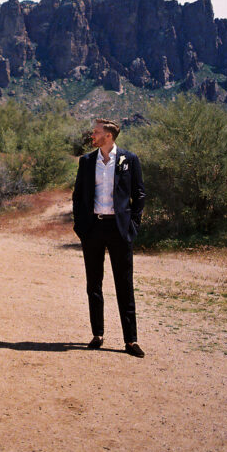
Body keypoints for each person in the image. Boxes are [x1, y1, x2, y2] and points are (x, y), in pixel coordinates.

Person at [72, 118, 146, 357]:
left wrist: (132, 225)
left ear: (109, 136)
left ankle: (131, 340)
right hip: (93, 228)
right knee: (94, 284)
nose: (92, 135)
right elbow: (78, 194)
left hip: (119, 229)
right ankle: (98, 334)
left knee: (124, 284)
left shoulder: (129, 160)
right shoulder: (86, 161)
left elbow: (139, 194)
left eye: (96, 132)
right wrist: (81, 226)